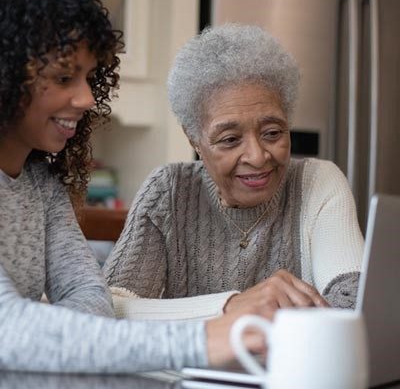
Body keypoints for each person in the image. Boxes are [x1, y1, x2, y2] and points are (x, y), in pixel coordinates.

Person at [0, 0, 263, 374]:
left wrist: (57, 341)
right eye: (63, 77)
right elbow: (7, 330)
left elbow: (90, 296)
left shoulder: (42, 187)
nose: (88, 97)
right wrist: (202, 340)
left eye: (89, 77)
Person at [104, 24, 364, 319]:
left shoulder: (318, 182)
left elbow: (352, 303)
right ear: (195, 141)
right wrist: (229, 306)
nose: (257, 156)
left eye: (273, 132)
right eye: (230, 139)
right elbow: (108, 307)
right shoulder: (168, 192)